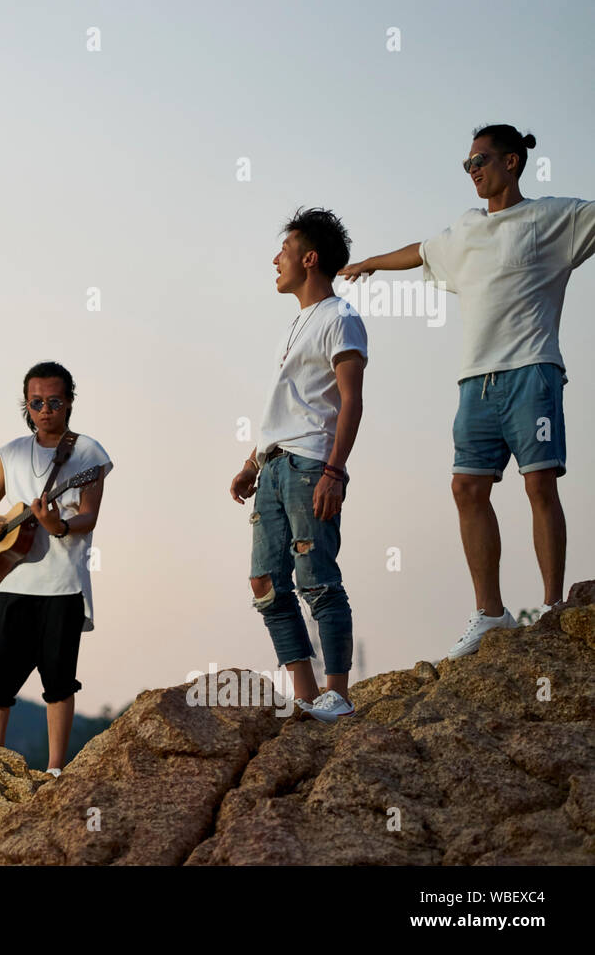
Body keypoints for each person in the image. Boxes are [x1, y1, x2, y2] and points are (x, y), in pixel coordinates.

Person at [340, 125, 595, 659]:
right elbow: (421, 251)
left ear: (513, 161)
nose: (473, 170)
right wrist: (368, 264)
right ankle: (491, 614)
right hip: (475, 383)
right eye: (466, 164)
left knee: (539, 484)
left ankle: (551, 608)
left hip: (533, 371)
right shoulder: (466, 229)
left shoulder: (553, 218)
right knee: (466, 489)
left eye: (480, 159)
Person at [230, 208, 367, 722]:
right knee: (265, 581)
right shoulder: (296, 322)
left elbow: (351, 400)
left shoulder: (340, 318)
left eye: (283, 252)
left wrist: (336, 471)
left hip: (313, 465)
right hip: (273, 467)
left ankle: (338, 694)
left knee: (317, 578)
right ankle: (307, 697)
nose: (275, 260)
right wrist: (250, 461)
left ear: (309, 259)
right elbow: (282, 407)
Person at [0, 362, 112, 775]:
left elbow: (90, 516)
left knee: (59, 680)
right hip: (11, 579)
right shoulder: (11, 452)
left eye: (54, 401)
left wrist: (59, 525)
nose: (45, 409)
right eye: (36, 402)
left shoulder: (87, 454)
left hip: (62, 582)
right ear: (26, 406)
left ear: (69, 402)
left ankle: (54, 769)